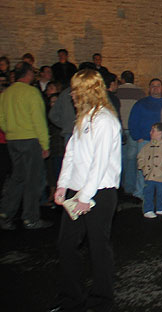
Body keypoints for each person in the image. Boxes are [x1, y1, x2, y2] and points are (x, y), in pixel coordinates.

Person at [53, 68, 121, 311]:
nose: (71, 94)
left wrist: (84, 196)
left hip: (99, 193)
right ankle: (72, 298)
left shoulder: (104, 120)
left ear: (87, 91)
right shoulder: (83, 118)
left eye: (76, 90)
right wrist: (62, 185)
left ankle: (102, 300)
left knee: (98, 246)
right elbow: (71, 154)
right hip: (78, 191)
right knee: (66, 244)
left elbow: (99, 163)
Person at [0, 62, 51, 230]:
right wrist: (45, 144)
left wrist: (10, 132)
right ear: (28, 74)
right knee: (33, 180)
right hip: (30, 140)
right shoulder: (31, 93)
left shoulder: (6, 94)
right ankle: (30, 218)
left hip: (13, 140)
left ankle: (5, 213)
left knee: (18, 177)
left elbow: (1, 118)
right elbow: (38, 120)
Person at [128, 78, 162, 200]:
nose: (155, 88)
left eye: (158, 86)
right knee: (143, 169)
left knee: (160, 168)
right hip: (144, 141)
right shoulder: (141, 103)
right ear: (149, 89)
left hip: (161, 143)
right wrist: (137, 136)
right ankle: (140, 193)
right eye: (153, 86)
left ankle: (157, 195)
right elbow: (133, 121)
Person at [137, 122, 162, 218]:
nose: (150, 132)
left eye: (153, 131)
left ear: (160, 133)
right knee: (148, 193)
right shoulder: (147, 146)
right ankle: (148, 209)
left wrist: (161, 170)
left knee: (161, 193)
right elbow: (140, 157)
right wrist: (143, 168)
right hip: (149, 175)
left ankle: (160, 207)